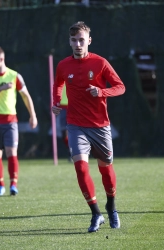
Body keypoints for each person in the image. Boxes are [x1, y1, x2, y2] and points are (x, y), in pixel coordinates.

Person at [51, 21, 126, 232]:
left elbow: (120, 87)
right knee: (81, 168)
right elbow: (58, 83)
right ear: (69, 41)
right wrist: (56, 102)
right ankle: (95, 214)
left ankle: (111, 206)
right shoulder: (63, 65)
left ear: (89, 41)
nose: (78, 44)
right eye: (74, 40)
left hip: (100, 126)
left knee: (106, 169)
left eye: (81, 40)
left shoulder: (101, 63)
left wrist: (102, 92)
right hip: (75, 125)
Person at [0, 46, 38, 196]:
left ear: (1, 59)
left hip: (10, 120)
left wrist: (33, 115)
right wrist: (3, 88)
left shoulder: (14, 75)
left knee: (11, 151)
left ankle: (13, 184)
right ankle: (0, 185)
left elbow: (26, 96)